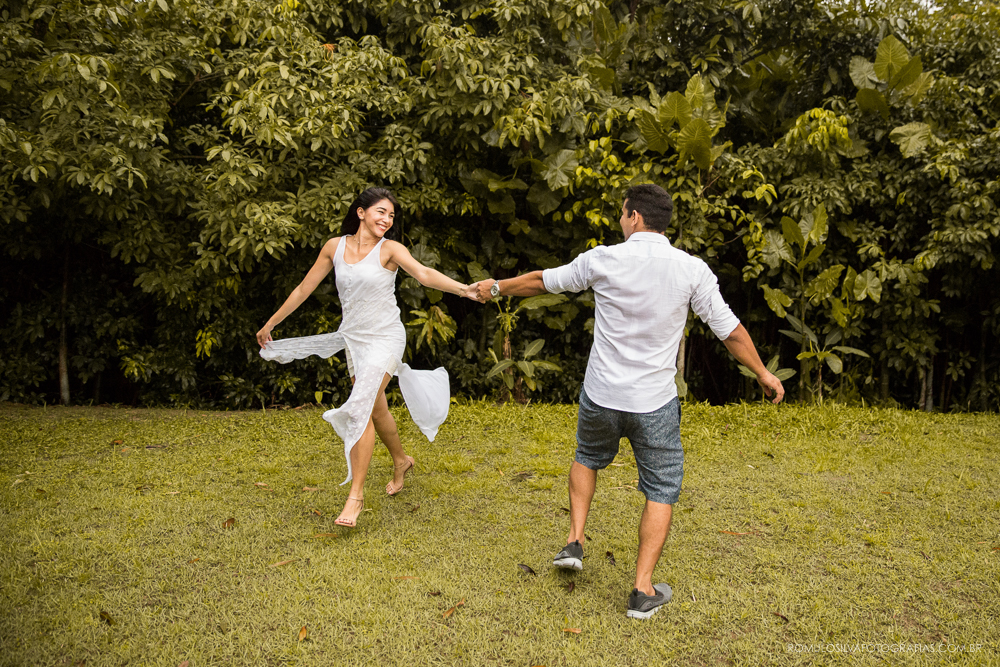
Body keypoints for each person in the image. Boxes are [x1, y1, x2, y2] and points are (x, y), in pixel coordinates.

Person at [474, 183, 784, 619]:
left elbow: (543, 282)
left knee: (586, 456)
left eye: (623, 213)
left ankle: (575, 540)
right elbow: (729, 330)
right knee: (661, 488)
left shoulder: (603, 258)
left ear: (635, 216)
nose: (620, 220)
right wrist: (764, 373)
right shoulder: (690, 269)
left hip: (601, 395)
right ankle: (641, 590)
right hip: (654, 404)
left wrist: (495, 289)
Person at [257, 187, 477, 528]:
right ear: (361, 212)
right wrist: (272, 322)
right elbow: (304, 288)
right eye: (381, 212)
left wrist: (464, 289)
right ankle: (401, 459)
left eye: (391, 216)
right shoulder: (335, 247)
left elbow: (424, 274)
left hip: (387, 336)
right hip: (355, 340)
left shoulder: (390, 249)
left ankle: (355, 496)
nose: (387, 220)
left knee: (360, 404)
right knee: (375, 406)